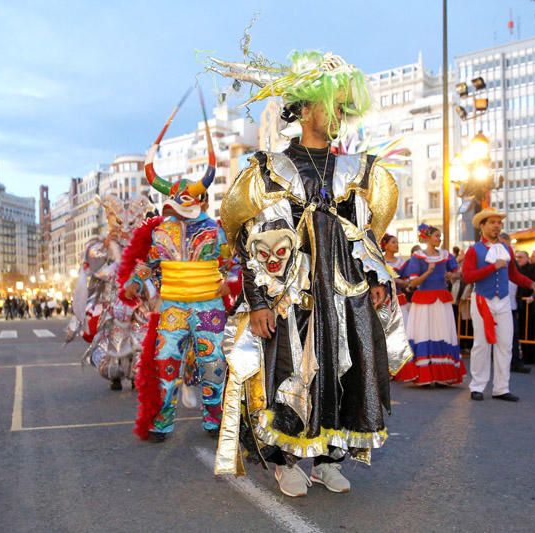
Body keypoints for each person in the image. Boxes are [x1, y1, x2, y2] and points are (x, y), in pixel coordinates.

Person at [211, 50, 408, 496]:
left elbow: (367, 236)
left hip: (343, 293)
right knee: (294, 372)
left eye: (342, 105)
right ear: (303, 108)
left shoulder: (359, 171)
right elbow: (251, 242)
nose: (336, 113)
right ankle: (288, 459)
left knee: (345, 371)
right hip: (293, 294)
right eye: (329, 103)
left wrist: (375, 279)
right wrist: (258, 301)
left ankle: (328, 455)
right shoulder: (269, 171)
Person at [118, 86, 231, 443]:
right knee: (166, 364)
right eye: (175, 199)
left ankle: (214, 420)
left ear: (200, 199)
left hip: (209, 306)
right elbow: (150, 262)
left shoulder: (215, 230)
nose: (180, 204)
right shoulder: (163, 231)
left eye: (187, 199)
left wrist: (231, 281)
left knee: (213, 367)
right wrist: (135, 281)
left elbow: (236, 263)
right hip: (172, 308)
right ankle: (163, 422)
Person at [66, 194, 159, 391]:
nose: (125, 228)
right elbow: (93, 268)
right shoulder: (101, 247)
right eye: (119, 222)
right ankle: (115, 375)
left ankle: (136, 375)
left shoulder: (145, 246)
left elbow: (152, 267)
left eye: (131, 222)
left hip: (138, 304)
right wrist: (109, 248)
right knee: (113, 345)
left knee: (141, 342)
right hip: (113, 305)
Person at [461, 208, 535, 403]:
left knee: (505, 343)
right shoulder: (473, 250)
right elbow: (468, 276)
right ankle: (477, 386)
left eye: (499, 222)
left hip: (503, 300)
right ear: (483, 226)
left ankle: (501, 388)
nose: (497, 226)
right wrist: (492, 267)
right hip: (482, 300)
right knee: (481, 343)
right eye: (493, 222)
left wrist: (530, 283)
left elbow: (513, 274)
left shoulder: (506, 249)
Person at [393, 224, 465, 386]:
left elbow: (459, 274)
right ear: (427, 238)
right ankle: (424, 374)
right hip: (423, 301)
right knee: (424, 334)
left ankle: (442, 376)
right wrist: (428, 272)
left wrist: (452, 275)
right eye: (436, 236)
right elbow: (413, 282)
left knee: (442, 333)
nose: (439, 239)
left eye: (440, 236)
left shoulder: (446, 256)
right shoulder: (418, 257)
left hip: (441, 300)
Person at [512, 248, 535, 372]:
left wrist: (531, 285)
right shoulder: (513, 269)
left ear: (527, 258)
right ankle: (516, 359)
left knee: (527, 331)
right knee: (517, 332)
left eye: (520, 257)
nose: (518, 259)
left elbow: (523, 281)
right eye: (516, 257)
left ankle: (529, 356)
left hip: (527, 305)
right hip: (515, 303)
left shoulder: (532, 268)